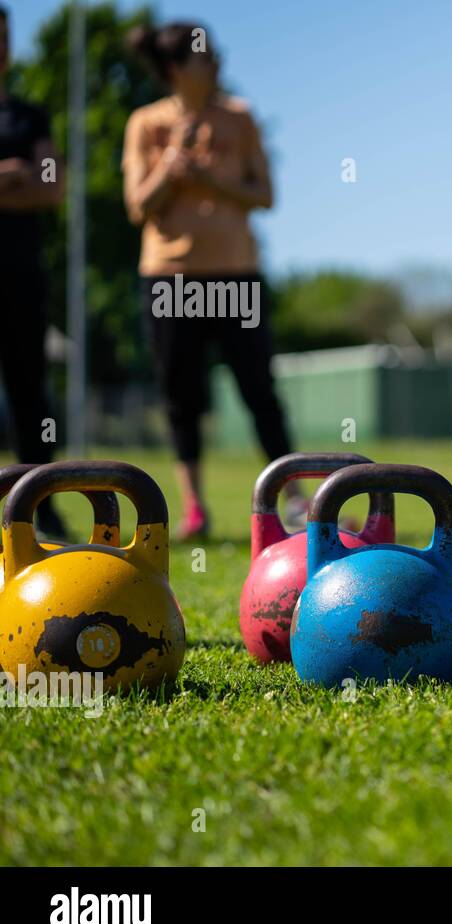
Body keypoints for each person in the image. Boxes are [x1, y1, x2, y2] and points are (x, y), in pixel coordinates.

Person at [123, 21, 300, 539]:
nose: (217, 62)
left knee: (259, 390)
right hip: (170, 278)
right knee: (181, 394)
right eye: (205, 56)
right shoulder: (146, 124)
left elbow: (265, 194)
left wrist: (209, 178)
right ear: (177, 69)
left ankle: (294, 501)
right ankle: (195, 508)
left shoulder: (240, 117)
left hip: (236, 273)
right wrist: (171, 167)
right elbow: (138, 206)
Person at [0, 3, 69, 538]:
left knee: (30, 392)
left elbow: (52, 187)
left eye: (4, 37)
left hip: (21, 276)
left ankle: (37, 503)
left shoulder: (29, 117)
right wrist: (10, 175)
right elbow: (27, 179)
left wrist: (29, 179)